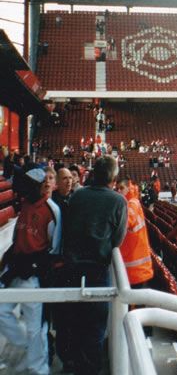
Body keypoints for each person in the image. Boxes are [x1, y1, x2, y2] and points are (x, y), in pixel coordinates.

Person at [60, 155, 127, 375]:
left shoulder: (78, 196)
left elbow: (67, 229)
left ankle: (75, 367)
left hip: (71, 270)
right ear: (113, 177)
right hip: (97, 272)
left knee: (75, 325)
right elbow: (117, 239)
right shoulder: (118, 201)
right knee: (95, 330)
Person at [0, 166, 61, 375]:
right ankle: (25, 344)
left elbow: (54, 248)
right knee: (1, 311)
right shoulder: (25, 205)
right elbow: (18, 238)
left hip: (35, 276)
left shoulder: (52, 210)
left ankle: (39, 369)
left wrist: (38, 268)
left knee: (36, 327)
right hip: (16, 270)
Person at [116, 175, 154, 288]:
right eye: (117, 189)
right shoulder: (128, 202)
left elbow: (126, 222)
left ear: (128, 187)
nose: (118, 191)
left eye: (121, 188)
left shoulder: (132, 203)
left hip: (137, 269)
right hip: (134, 267)